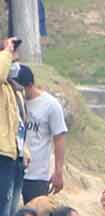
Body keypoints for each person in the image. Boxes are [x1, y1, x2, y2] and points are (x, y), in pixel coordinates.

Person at [17, 65, 64, 202]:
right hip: (12, 171)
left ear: (29, 85)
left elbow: (59, 138)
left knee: (36, 215)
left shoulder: (50, 105)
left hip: (37, 175)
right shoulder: (11, 102)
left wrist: (58, 172)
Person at [0, 39, 26, 216]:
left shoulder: (13, 89)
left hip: (15, 155)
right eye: (11, 59)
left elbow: (18, 124)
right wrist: (7, 49)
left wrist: (24, 151)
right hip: (1, 154)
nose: (14, 64)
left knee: (11, 214)